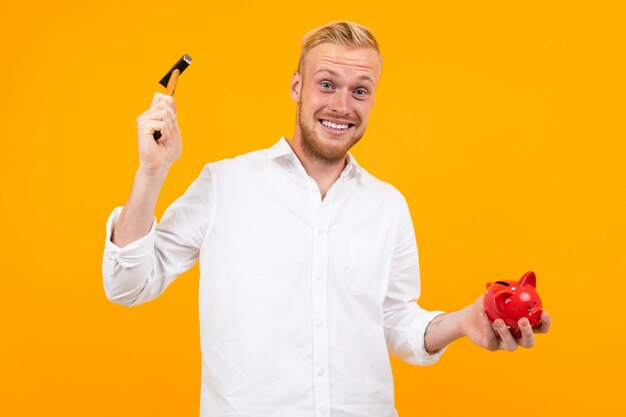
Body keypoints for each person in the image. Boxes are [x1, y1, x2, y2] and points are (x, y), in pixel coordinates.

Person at [102, 21, 551, 417]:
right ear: (297, 87)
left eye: (360, 90)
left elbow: (394, 320)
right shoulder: (225, 183)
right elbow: (127, 285)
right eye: (327, 84)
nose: (342, 105)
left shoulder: (386, 204)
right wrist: (152, 171)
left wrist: (462, 321)